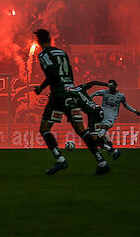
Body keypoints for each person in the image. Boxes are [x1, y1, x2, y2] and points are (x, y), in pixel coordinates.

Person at [33, 29, 109, 175]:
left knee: (44, 128)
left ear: (38, 41)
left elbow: (52, 73)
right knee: (81, 130)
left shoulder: (43, 55)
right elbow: (69, 74)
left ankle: (60, 160)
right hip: (71, 92)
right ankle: (102, 162)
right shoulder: (62, 53)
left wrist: (42, 88)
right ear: (50, 38)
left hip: (59, 95)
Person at [90, 79, 140, 156]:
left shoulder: (121, 96)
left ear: (115, 86)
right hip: (102, 113)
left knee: (105, 127)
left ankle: (100, 141)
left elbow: (125, 105)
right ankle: (107, 144)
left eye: (111, 86)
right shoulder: (104, 92)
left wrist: (135, 111)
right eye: (109, 86)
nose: (110, 88)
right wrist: (89, 102)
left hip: (112, 114)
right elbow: (94, 94)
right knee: (100, 129)